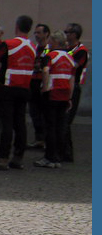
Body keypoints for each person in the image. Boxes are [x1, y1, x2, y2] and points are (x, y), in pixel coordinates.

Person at [0, 15, 35, 170]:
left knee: (6, 123)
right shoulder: (33, 46)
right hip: (25, 87)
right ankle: (18, 157)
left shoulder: (9, 44)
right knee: (20, 122)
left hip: (7, 86)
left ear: (17, 26)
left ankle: (2, 157)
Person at [35, 30, 74, 169]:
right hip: (64, 95)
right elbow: (72, 79)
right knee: (60, 127)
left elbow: (45, 71)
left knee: (50, 126)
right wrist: (70, 97)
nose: (49, 43)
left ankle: (49, 157)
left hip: (52, 94)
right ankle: (58, 156)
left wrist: (44, 88)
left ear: (55, 42)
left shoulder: (50, 56)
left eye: (51, 40)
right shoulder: (69, 58)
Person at [61, 22, 89, 163]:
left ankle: (67, 153)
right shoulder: (66, 48)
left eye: (68, 32)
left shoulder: (81, 50)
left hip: (74, 86)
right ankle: (63, 151)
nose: (66, 35)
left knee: (66, 120)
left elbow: (75, 66)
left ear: (74, 34)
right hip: (63, 84)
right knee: (62, 120)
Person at [28, 22, 50, 149]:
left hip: (44, 83)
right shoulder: (34, 48)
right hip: (33, 82)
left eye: (39, 32)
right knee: (34, 112)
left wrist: (38, 66)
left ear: (46, 34)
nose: (36, 35)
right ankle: (39, 138)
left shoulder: (50, 49)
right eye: (35, 32)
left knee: (45, 113)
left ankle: (46, 139)